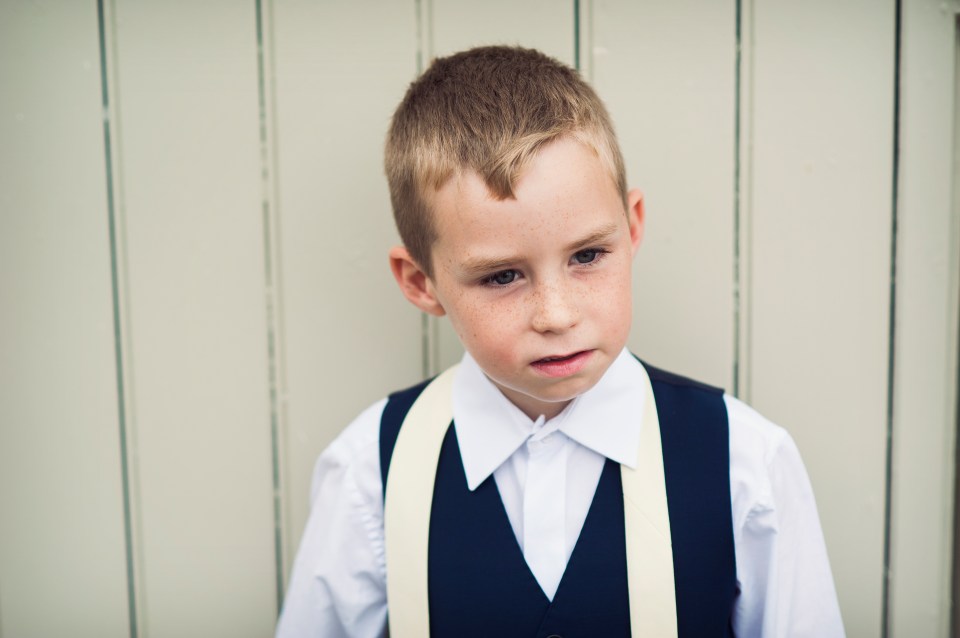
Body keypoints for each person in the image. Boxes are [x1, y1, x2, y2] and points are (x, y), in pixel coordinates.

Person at [275, 45, 844, 637]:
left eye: (588, 256)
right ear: (422, 283)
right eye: (502, 276)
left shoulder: (746, 462)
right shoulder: (370, 468)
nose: (556, 314)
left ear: (633, 226)